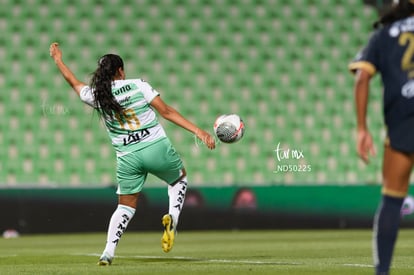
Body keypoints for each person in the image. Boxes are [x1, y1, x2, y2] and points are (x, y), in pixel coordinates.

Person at [49, 42, 216, 265]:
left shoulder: (97, 95)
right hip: (155, 147)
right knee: (179, 179)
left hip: (127, 157)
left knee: (125, 206)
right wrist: (199, 132)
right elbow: (166, 112)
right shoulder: (138, 85)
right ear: (121, 71)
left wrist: (58, 59)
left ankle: (107, 252)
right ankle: (173, 218)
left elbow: (74, 82)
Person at [348, 1, 414, 274]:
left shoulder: (384, 34)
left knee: (391, 199)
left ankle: (382, 272)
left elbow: (362, 78)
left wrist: (362, 128)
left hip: (403, 118)